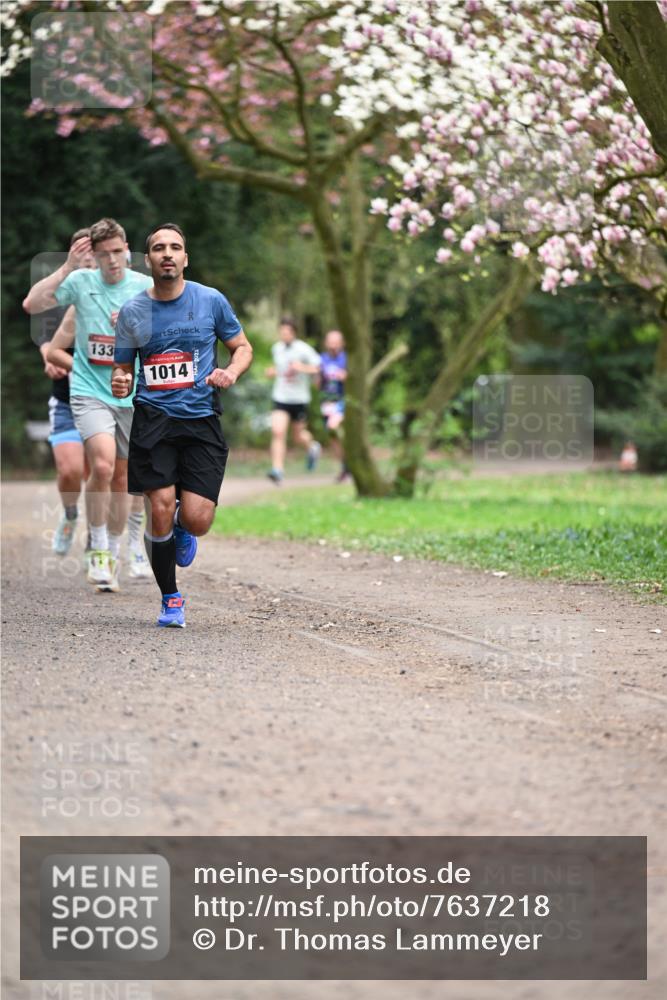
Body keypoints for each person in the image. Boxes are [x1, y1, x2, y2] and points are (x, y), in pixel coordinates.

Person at [111, 223, 253, 628]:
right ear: (149, 259)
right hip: (154, 420)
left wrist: (232, 372)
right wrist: (120, 382)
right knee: (158, 504)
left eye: (175, 247)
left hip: (201, 420)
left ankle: (180, 524)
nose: (167, 254)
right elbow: (122, 372)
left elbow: (242, 347)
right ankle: (170, 598)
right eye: (159, 248)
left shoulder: (210, 301)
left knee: (197, 519)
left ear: (185, 258)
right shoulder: (133, 312)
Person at [24, 217, 153, 592]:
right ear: (93, 256)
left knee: (123, 479)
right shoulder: (81, 283)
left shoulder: (144, 288)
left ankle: (114, 552)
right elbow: (32, 304)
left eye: (117, 252)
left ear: (127, 251)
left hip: (132, 394)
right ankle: (97, 547)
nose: (112, 260)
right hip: (89, 392)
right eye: (103, 254)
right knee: (101, 463)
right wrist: (66, 266)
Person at [33, 228, 94, 555]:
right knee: (71, 470)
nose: (86, 255)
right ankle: (70, 515)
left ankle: (96, 541)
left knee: (98, 472)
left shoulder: (114, 293)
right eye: (79, 249)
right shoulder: (61, 294)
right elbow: (44, 335)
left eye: (92, 250)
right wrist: (49, 359)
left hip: (105, 399)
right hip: (67, 398)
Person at [265, 318, 322, 484]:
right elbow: (281, 369)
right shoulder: (276, 349)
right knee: (278, 432)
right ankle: (277, 470)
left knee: (298, 437)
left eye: (287, 332)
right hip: (281, 397)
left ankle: (312, 447)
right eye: (281, 332)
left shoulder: (303, 349)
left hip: (299, 399)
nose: (284, 335)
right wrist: (272, 372)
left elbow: (319, 368)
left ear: (293, 332)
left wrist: (302, 368)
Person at [319, 328, 349, 483]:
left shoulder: (347, 359)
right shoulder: (322, 359)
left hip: (343, 401)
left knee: (333, 426)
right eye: (330, 342)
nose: (333, 345)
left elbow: (354, 380)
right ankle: (345, 466)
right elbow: (318, 383)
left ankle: (348, 465)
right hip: (327, 402)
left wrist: (345, 376)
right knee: (333, 438)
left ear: (342, 344)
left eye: (336, 342)